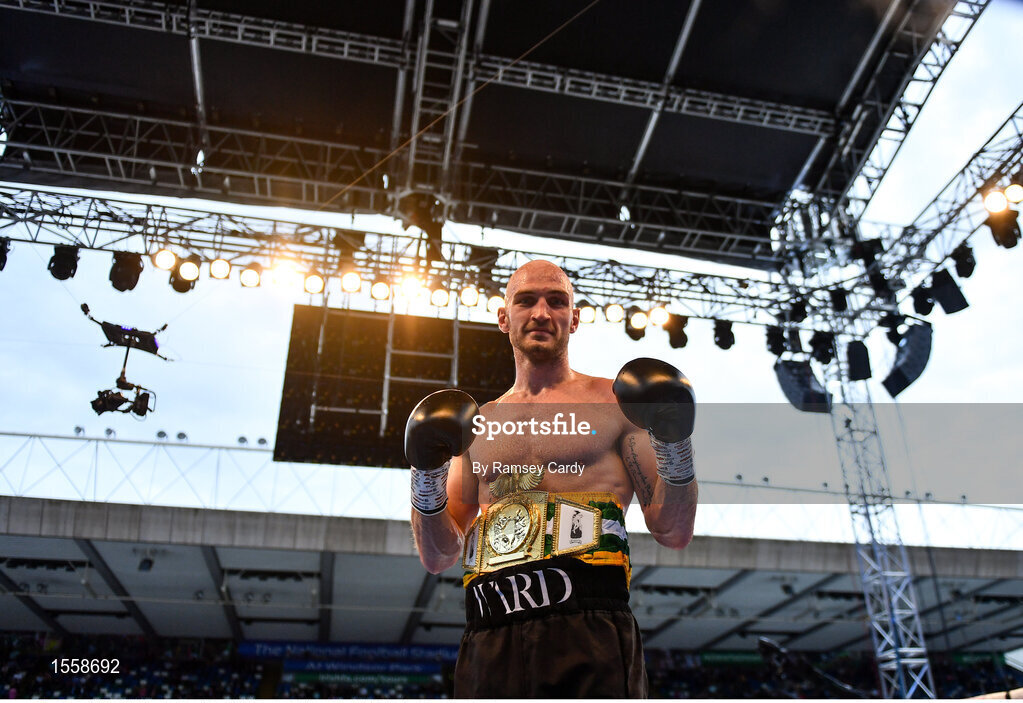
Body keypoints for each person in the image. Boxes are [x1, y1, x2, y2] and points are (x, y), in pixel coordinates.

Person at [406, 260, 698, 698]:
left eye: (556, 301)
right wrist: (425, 477)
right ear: (504, 318)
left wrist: (675, 445)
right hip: (489, 627)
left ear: (574, 318)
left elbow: (673, 530)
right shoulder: (477, 426)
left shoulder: (616, 404)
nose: (541, 312)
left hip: (590, 624)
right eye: (526, 300)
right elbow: (438, 555)